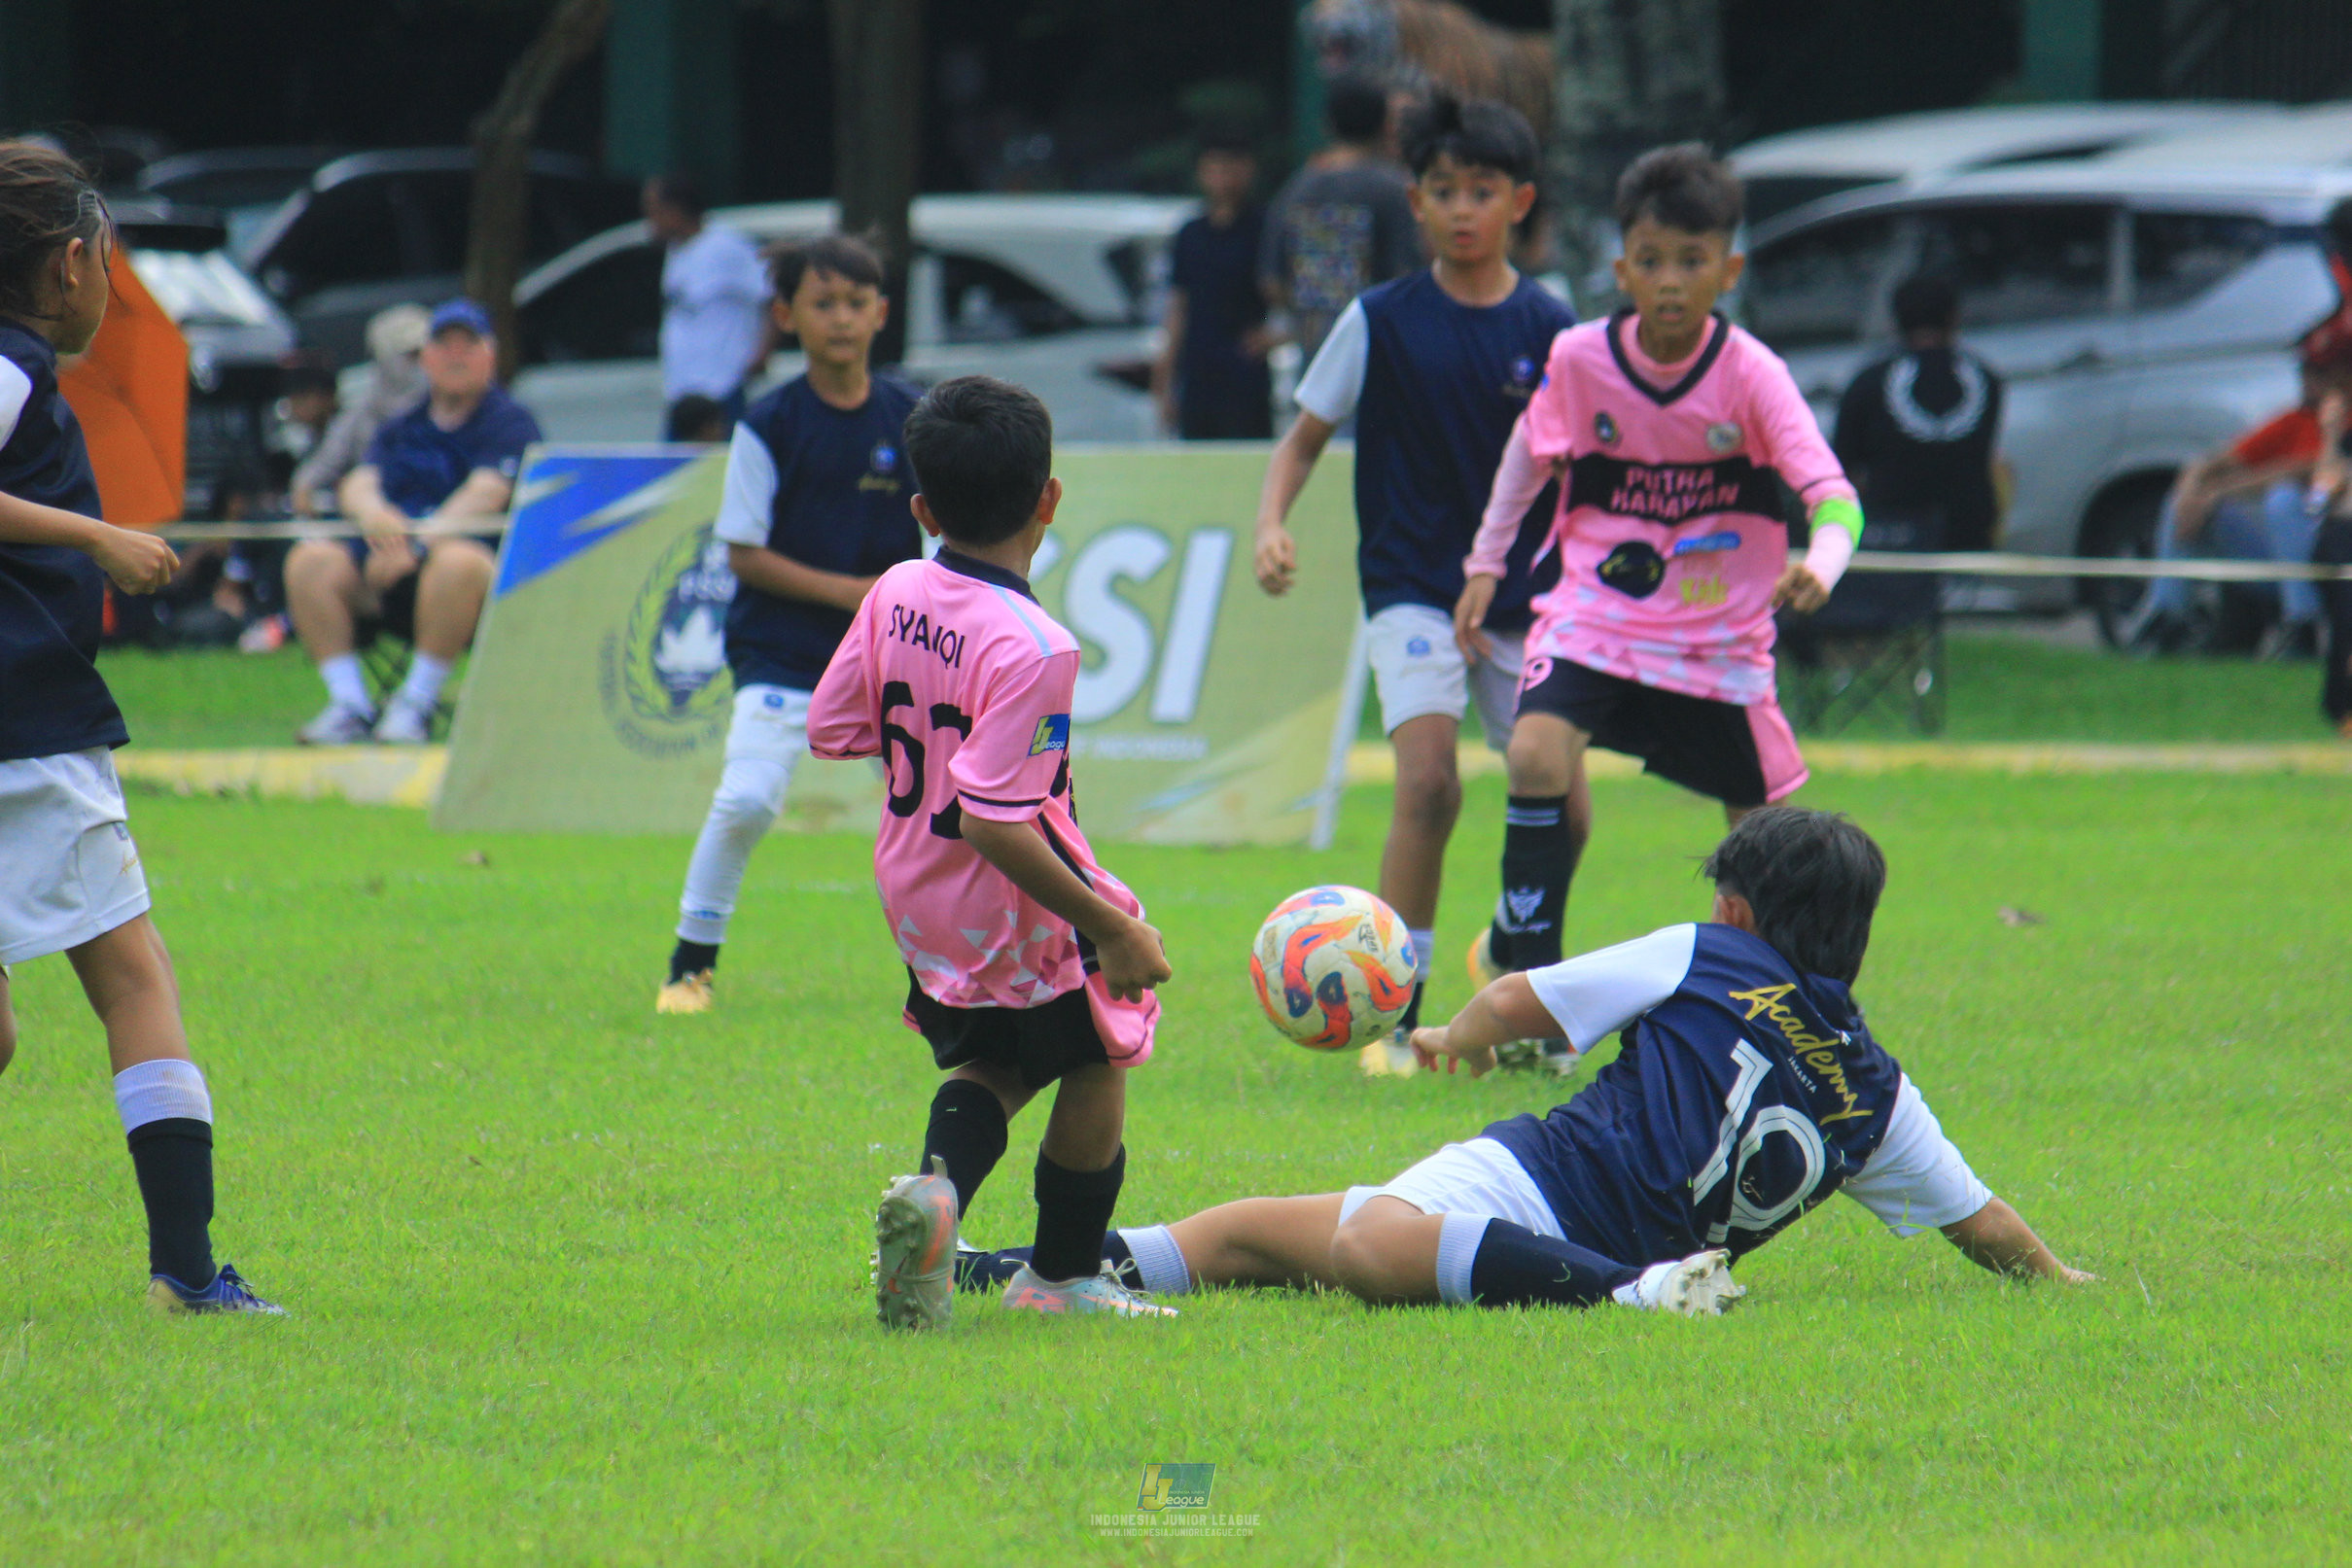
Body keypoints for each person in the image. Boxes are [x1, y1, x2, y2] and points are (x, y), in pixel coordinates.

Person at [959, 809, 2091, 1317]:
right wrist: (2062, 1283)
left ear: (1739, 905)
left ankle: (1635, 1298)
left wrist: (1453, 1037)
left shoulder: (1711, 951)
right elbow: (1982, 1223)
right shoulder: (1875, 1088)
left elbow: (1515, 996)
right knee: (1247, 1233)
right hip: (1556, 1209)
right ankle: (990, 1273)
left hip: (1540, 1188)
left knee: (1367, 1243)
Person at [1455, 144, 1862, 1070]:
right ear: (1621, 267)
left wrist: (1824, 564)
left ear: (1729, 268)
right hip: (1595, 616)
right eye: (1651, 259)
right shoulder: (1580, 358)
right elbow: (1528, 456)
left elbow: (1830, 492)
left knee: (1764, 840)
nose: (1670, 282)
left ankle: (1786, 1018)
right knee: (1533, 750)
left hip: (1716, 642)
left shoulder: (1752, 374)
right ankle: (1528, 978)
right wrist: (1486, 563)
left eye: (1691, 260)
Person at [807, 375, 1177, 1327]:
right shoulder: (1035, 645)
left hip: (915, 889)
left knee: (1001, 1061)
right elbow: (994, 817)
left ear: (923, 507)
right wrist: (1112, 926)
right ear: (1049, 496)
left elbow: (834, 723)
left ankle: (934, 1199)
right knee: (1102, 1040)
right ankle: (1061, 1277)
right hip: (1010, 891)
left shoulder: (894, 588)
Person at [0, 140, 281, 1314]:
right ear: (70, 261)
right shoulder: (11, 362)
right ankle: (184, 1266)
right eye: (109, 259)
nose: (108, 288)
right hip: (26, 723)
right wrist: (95, 537)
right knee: (132, 974)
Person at [1252, 92, 1575, 1078]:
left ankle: (1519, 980)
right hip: (1411, 588)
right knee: (1427, 784)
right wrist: (1272, 523)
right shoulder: (1377, 318)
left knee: (1560, 798)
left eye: (1482, 190)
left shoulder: (1552, 325)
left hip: (1528, 593)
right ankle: (1398, 1012)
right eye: (1444, 191)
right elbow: (1303, 436)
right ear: (1417, 201)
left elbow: (1578, 469)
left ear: (1518, 200)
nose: (1463, 208)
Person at [654, 236, 922, 1014]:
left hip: (893, 658)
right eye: (821, 303)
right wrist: (850, 593)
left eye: (855, 302)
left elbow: (941, 538)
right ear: (785, 316)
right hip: (783, 651)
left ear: (882, 313)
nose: (841, 319)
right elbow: (741, 553)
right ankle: (689, 965)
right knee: (746, 800)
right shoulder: (767, 424)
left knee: (937, 824)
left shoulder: (912, 417)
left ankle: (949, 980)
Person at [286, 297, 543, 746]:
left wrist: (417, 545)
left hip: (475, 587)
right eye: (444, 345)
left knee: (457, 561)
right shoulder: (401, 424)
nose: (456, 355)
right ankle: (350, 705)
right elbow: (358, 482)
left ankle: (416, 704)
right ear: (426, 358)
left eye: (469, 344)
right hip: (385, 572)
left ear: (491, 355)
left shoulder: (510, 423)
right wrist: (373, 515)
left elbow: (486, 493)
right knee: (311, 561)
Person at [2127, 334, 2351, 657]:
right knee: (2183, 500)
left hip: (2332, 557)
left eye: (2318, 373)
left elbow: (2308, 473)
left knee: (2283, 498)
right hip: (2286, 561)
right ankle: (2167, 616)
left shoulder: (2342, 425)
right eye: (2305, 371)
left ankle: (2303, 625)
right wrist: (2193, 488)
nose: (2307, 381)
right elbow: (2211, 463)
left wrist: (2218, 492)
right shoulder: (2295, 420)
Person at [1258, 70, 1423, 366]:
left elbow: (1271, 282)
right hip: (1382, 355)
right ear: (1385, 125)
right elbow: (1408, 273)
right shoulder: (1396, 191)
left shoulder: (1296, 190)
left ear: (1327, 124)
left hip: (1316, 354)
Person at [1832, 273, 2003, 553]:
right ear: (1953, 317)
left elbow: (1842, 467)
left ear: (1895, 321)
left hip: (1890, 539)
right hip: (1969, 534)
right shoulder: (1985, 380)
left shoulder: (1868, 382)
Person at [1153, 131, 1273, 440]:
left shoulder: (1266, 228)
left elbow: (1291, 291)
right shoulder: (1190, 233)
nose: (1223, 178)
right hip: (1198, 371)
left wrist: (1277, 336)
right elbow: (1178, 306)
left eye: (1232, 168)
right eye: (1215, 168)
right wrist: (1164, 379)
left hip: (1245, 372)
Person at [645, 172, 772, 439]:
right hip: (681, 394)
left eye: (654, 212)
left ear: (676, 210)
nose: (650, 221)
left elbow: (770, 294)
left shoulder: (727, 246)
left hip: (718, 390)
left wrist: (762, 353)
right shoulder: (676, 250)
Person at [290, 302, 428, 518]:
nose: (420, 364)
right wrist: (304, 486)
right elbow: (324, 463)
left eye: (424, 353)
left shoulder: (446, 404)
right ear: (383, 357)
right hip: (374, 517)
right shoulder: (363, 410)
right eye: (411, 355)